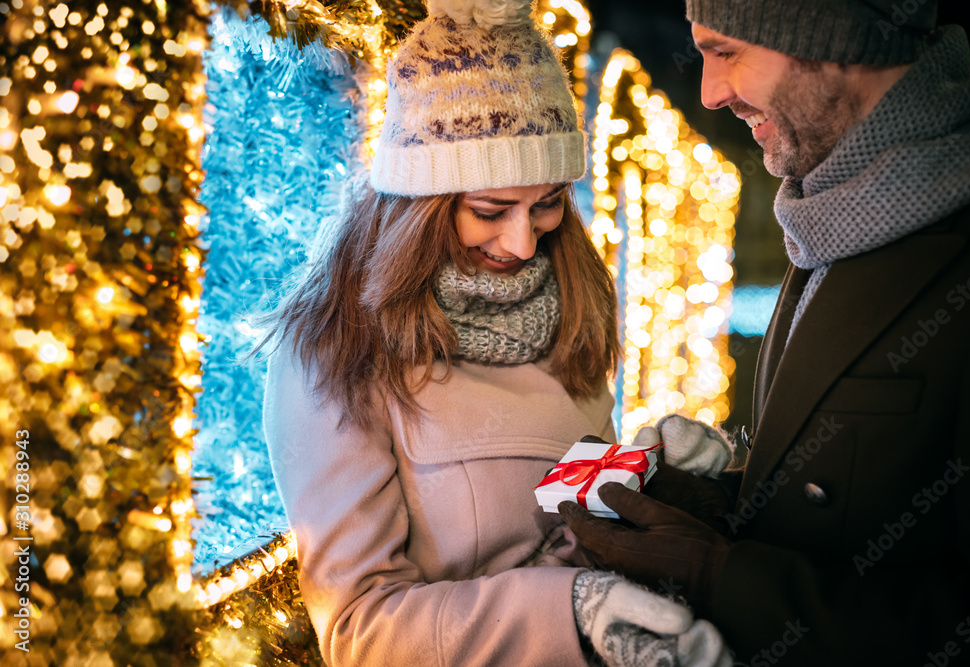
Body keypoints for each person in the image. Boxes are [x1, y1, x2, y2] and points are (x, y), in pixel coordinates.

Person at [260, 0, 730, 664]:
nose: (522, 242)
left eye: (546, 205)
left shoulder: (569, 307)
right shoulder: (339, 349)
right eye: (489, 210)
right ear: (418, 205)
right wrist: (570, 611)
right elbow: (362, 630)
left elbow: (564, 517)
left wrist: (648, 473)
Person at [560, 0, 970, 665]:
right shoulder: (833, 207)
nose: (709, 92)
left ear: (831, 35)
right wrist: (712, 504)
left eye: (726, 51)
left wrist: (719, 574)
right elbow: (850, 492)